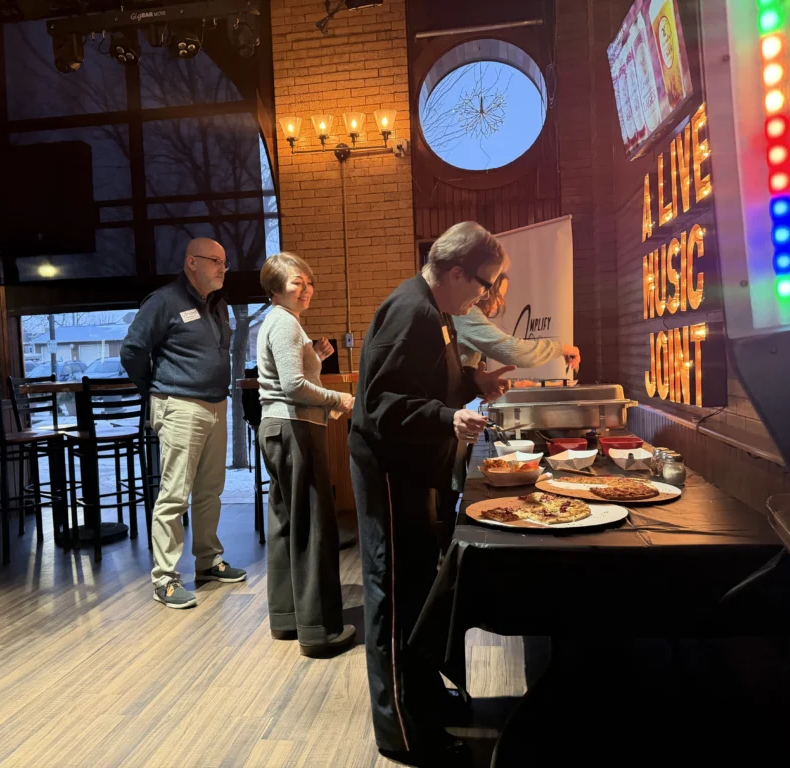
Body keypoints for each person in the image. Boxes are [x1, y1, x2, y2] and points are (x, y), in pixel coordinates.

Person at [349, 221, 515, 766]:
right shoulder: (413, 311)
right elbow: (379, 407)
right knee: (395, 599)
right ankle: (402, 729)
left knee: (417, 589)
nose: (486, 296)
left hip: (414, 473)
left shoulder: (435, 309)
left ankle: (420, 695)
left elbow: (424, 383)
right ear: (454, 270)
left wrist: (474, 385)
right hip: (393, 475)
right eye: (485, 284)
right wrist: (450, 417)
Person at [120, 237, 246, 610]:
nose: (223, 268)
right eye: (216, 261)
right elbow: (132, 350)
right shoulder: (164, 301)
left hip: (214, 404)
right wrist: (156, 389)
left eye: (225, 262)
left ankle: (207, 562)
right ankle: (165, 578)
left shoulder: (216, 305)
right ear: (192, 262)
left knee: (210, 491)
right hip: (179, 405)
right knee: (174, 494)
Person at [255, 252, 357, 658]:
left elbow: (294, 376)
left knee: (287, 525)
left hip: (280, 428)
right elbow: (295, 386)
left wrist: (319, 355)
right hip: (294, 428)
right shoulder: (283, 323)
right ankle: (318, 632)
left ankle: (287, 619)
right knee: (313, 527)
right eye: (297, 282)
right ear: (276, 287)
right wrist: (341, 398)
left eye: (309, 282)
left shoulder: (282, 323)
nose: (306, 289)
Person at [437, 274, 583, 551]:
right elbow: (512, 350)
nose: (498, 302)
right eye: (497, 294)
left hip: (451, 412)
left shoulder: (462, 316)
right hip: (445, 417)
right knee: (447, 494)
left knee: (451, 491)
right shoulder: (466, 315)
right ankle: (447, 565)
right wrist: (563, 348)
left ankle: (445, 558)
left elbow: (464, 374)